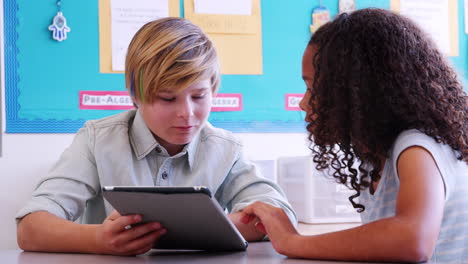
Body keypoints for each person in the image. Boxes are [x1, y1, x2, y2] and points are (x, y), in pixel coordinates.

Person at [16, 17, 296, 256]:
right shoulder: (97, 140)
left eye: (199, 96)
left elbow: (278, 217)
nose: (187, 114)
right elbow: (30, 229)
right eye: (167, 99)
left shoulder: (226, 149)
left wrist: (212, 226)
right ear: (136, 96)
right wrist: (97, 240)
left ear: (214, 89)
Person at [240, 8, 468, 263]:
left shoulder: (417, 147)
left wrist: (293, 241)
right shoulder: (376, 158)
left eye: (313, 88)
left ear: (360, 93)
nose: (303, 103)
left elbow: (412, 240)